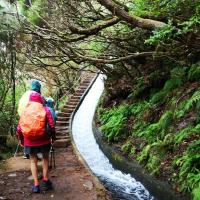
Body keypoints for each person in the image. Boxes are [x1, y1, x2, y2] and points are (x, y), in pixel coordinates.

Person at [16, 92, 55, 193]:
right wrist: (53, 137)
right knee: (45, 158)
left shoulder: (25, 111)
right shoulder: (45, 109)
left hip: (29, 141)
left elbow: (19, 128)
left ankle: (36, 185)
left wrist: (21, 140)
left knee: (33, 161)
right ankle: (46, 181)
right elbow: (51, 125)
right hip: (44, 139)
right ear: (40, 100)